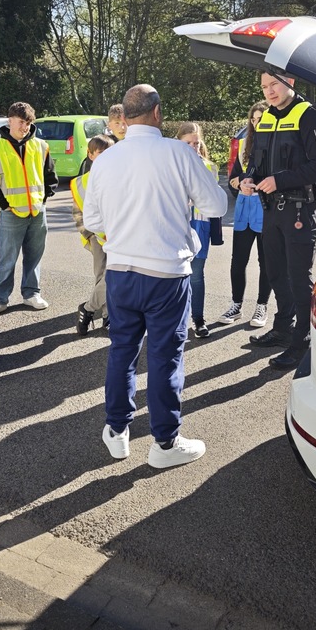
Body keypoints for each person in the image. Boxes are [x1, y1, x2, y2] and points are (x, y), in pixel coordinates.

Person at [83, 84, 227, 468]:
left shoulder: (105, 160)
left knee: (122, 351)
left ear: (124, 117)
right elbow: (216, 204)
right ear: (157, 112)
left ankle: (117, 429)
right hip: (166, 274)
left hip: (120, 271)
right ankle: (165, 443)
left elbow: (93, 220)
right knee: (165, 358)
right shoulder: (178, 152)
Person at [240, 72, 316, 370]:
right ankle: (283, 329)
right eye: (264, 87)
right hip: (271, 211)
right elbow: (256, 161)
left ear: (290, 82)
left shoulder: (310, 116)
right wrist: (248, 178)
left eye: (274, 85)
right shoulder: (266, 117)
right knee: (276, 272)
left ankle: (302, 341)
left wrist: (279, 181)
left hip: (299, 211)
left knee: (298, 277)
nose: (269, 91)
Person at [0, 102, 58, 317]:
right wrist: (5, 206)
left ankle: (31, 293)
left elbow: (51, 177)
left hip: (37, 212)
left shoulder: (41, 146)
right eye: (21, 122)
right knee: (7, 259)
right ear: (10, 120)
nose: (25, 127)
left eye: (28, 123)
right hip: (11, 213)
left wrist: (42, 200)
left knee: (34, 256)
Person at [218, 101, 272, 328]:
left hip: (266, 209)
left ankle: (262, 306)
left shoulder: (276, 142)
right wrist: (240, 183)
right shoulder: (243, 145)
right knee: (238, 261)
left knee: (266, 261)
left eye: (261, 119)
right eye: (254, 119)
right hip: (243, 210)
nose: (256, 123)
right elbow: (232, 178)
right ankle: (236, 305)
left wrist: (256, 184)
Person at [175, 122, 222, 339]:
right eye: (188, 143)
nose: (193, 147)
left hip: (201, 224)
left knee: (196, 274)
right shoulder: (170, 164)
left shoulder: (209, 167)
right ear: (178, 142)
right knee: (175, 275)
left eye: (196, 143)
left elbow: (211, 198)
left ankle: (199, 319)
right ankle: (176, 321)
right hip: (177, 224)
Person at [70, 134, 114, 334]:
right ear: (90, 154)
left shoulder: (120, 176)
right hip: (97, 237)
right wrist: (89, 235)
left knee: (112, 276)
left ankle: (88, 309)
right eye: (101, 153)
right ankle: (107, 315)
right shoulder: (81, 182)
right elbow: (77, 212)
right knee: (102, 276)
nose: (106, 157)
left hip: (120, 236)